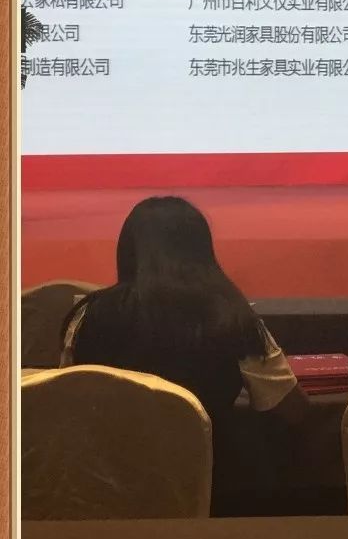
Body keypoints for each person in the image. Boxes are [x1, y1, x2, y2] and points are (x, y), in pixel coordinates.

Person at [60, 197, 308, 508]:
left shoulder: (88, 316)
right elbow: (292, 409)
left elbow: (68, 402)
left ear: (128, 251)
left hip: (104, 488)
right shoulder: (231, 316)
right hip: (211, 492)